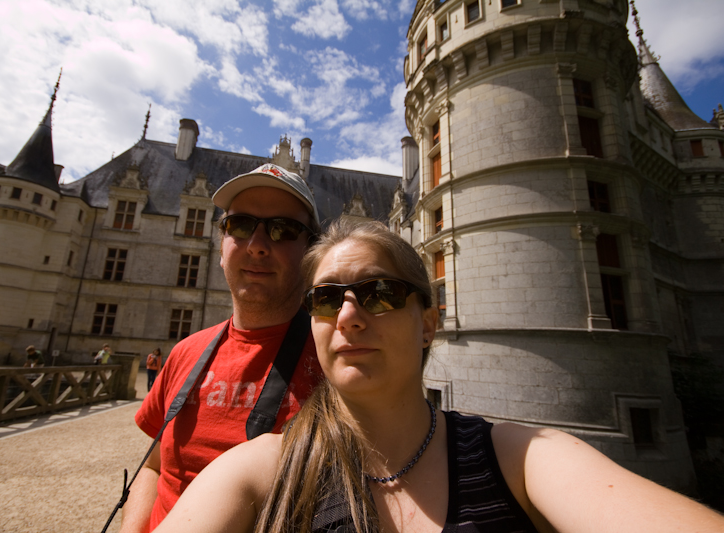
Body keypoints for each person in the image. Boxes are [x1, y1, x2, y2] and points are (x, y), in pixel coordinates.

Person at [155, 219, 724, 533]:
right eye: (327, 300)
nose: (350, 314)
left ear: (429, 323)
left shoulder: (521, 459)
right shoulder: (262, 471)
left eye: (380, 293)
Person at [120, 164, 324, 532]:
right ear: (221, 246)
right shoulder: (186, 352)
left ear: (312, 253)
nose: (258, 245)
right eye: (241, 225)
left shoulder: (335, 363)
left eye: (283, 230)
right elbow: (152, 467)